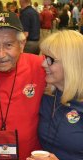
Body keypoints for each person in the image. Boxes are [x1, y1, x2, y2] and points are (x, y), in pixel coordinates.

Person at [0, 11, 46, 160]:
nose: (0, 54)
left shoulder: (41, 66)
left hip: (32, 156)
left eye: (8, 45)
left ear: (22, 44)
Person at [29, 30, 83, 160]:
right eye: (44, 58)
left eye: (50, 60)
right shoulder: (48, 95)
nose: (43, 64)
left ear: (71, 64)